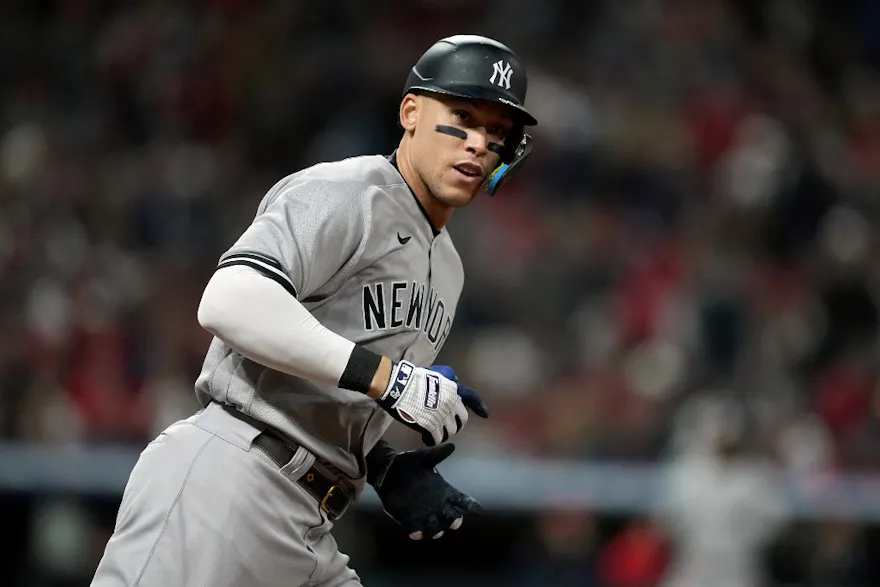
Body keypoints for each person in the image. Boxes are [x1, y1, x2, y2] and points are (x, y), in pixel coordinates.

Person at [89, 34, 538, 587]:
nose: (476, 143)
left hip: (314, 521)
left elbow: (326, 381)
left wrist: (380, 466)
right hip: (230, 480)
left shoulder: (449, 268)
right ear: (411, 112)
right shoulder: (347, 193)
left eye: (496, 133)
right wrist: (391, 380)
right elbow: (229, 299)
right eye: (462, 117)